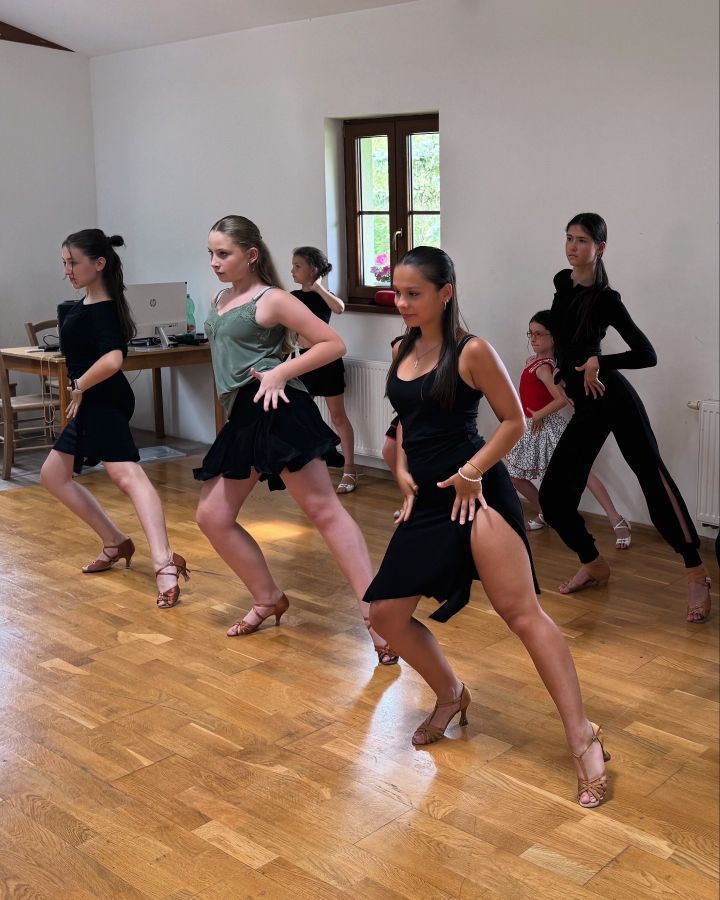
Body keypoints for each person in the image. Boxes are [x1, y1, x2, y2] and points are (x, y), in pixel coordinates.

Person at [364, 246, 611, 808]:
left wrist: (473, 472)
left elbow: (513, 421)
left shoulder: (471, 350)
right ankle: (451, 693)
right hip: (429, 499)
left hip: (476, 493)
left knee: (521, 613)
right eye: (398, 293)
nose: (402, 303)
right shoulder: (401, 348)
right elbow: (406, 422)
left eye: (413, 293)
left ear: (445, 292)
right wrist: (400, 470)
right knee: (385, 615)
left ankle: (583, 736)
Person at [193, 215, 397, 664]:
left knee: (324, 511)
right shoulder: (221, 298)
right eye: (211, 253)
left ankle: (375, 617)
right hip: (245, 414)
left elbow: (332, 344)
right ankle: (267, 597)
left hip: (276, 408)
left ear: (250, 255)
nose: (214, 262)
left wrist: (281, 372)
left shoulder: (273, 300)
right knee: (212, 515)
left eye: (223, 253)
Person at [538, 213, 710, 623]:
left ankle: (696, 573)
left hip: (613, 398)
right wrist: (562, 371)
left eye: (582, 240)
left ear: (600, 247)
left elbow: (647, 354)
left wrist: (599, 360)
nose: (572, 246)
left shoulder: (606, 299)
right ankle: (594, 563)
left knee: (653, 481)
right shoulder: (562, 283)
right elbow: (565, 340)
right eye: (569, 238)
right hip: (587, 403)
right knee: (554, 498)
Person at [41, 229, 189, 608]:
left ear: (99, 263)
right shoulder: (86, 303)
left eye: (73, 262)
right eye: (65, 263)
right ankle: (115, 541)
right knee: (53, 475)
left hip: (102, 400)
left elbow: (113, 360)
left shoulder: (104, 307)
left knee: (127, 477)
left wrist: (79, 386)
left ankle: (164, 563)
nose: (67, 270)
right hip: (91, 402)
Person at [507, 309, 632, 546]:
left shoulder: (544, 367)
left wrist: (538, 415)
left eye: (539, 334)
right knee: (515, 476)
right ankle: (547, 512)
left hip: (546, 427)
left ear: (554, 337)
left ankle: (617, 520)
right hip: (533, 427)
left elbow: (560, 399)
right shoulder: (533, 362)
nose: (533, 339)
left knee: (583, 473)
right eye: (530, 333)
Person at [290, 247, 359, 494]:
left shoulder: (325, 295)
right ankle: (309, 467)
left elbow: (339, 308)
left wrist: (318, 287)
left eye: (298, 266)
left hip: (327, 361)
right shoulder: (292, 297)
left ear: (313, 269)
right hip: (304, 361)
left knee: (337, 416)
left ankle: (350, 470)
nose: (292, 270)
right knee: (302, 416)